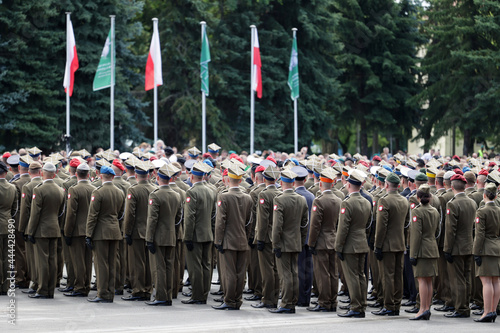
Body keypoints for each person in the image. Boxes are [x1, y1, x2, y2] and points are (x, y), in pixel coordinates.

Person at [212, 165, 253, 310]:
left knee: (229, 272)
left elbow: (220, 222)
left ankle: (229, 300)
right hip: (242, 240)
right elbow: (249, 222)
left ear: (228, 179)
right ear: (241, 180)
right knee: (240, 272)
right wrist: (246, 237)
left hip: (228, 241)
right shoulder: (248, 197)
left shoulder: (224, 196)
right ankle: (237, 299)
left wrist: (218, 240)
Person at [269, 169, 308, 314]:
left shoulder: (279, 199)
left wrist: (275, 244)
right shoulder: (301, 199)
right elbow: (305, 223)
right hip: (296, 241)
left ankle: (286, 303)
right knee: (293, 272)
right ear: (293, 183)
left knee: (285, 274)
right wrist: (301, 240)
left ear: (281, 183)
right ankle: (292, 301)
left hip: (284, 243)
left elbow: (277, 225)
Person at [86, 165, 125, 303]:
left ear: (100, 175)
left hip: (101, 232)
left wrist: (88, 234)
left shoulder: (98, 192)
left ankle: (102, 293)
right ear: (113, 177)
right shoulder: (119, 192)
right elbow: (121, 214)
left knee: (101, 263)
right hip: (114, 231)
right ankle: (110, 293)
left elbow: (93, 216)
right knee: (112, 263)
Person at [26, 162, 65, 299]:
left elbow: (35, 214)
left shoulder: (39, 189)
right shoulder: (60, 190)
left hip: (41, 230)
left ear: (42, 173)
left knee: (42, 260)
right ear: (54, 174)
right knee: (52, 260)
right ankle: (50, 290)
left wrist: (30, 231)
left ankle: (42, 289)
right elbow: (61, 212)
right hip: (54, 228)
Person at [372, 172, 409, 316]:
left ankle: (388, 305)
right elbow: (406, 224)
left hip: (387, 245)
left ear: (386, 185)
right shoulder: (404, 200)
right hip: (400, 243)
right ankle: (396, 304)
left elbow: (381, 227)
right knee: (398, 276)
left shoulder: (385, 201)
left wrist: (378, 245)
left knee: (387, 276)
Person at [145, 164, 182, 306]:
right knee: (169, 266)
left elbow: (152, 219)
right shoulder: (176, 195)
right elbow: (179, 218)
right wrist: (175, 231)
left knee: (159, 267)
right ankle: (168, 295)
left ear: (158, 177)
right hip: (171, 235)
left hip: (158, 237)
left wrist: (149, 238)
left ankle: (161, 296)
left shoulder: (155, 195)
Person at [307, 167, 342, 312]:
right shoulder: (339, 200)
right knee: (333, 273)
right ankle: (333, 301)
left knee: (322, 274)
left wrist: (311, 243)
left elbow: (315, 225)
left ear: (320, 184)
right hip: (333, 239)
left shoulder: (319, 201)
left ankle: (324, 302)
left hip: (321, 241)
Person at [443, 173, 478, 318]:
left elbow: (451, 230)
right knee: (466, 277)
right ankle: (465, 305)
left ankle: (460, 308)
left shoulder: (453, 203)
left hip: (457, 247)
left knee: (457, 278)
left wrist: (447, 249)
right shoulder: (472, 202)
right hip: (469, 244)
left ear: (452, 187)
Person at [182, 162, 217, 304]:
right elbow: (214, 214)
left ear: (191, 176)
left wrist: (187, 237)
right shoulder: (211, 190)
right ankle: (204, 293)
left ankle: (197, 295)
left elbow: (190, 217)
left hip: (196, 235)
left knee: (195, 266)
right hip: (207, 233)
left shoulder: (192, 192)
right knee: (206, 265)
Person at [122, 161, 157, 301]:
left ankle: (138, 290)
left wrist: (127, 232)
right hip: (150, 231)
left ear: (136, 175)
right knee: (148, 263)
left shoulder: (133, 190)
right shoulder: (154, 189)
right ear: (148, 175)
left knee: (137, 263)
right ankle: (148, 289)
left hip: (136, 232)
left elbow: (130, 214)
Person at [408, 185, 440, 320]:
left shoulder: (417, 211)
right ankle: (427, 308)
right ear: (430, 197)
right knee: (429, 281)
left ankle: (422, 309)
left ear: (418, 197)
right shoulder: (435, 211)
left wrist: (413, 254)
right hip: (432, 248)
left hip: (421, 249)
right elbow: (438, 231)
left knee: (422, 281)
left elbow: (416, 235)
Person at [253, 165, 281, 309]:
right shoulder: (280, 192)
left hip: (266, 237)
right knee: (275, 269)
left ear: (264, 179)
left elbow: (263, 220)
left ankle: (267, 299)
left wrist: (260, 238)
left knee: (267, 270)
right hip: (278, 236)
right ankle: (274, 297)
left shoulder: (264, 194)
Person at [472, 183, 500, 323]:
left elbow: (480, 234)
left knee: (486, 281)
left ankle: (487, 311)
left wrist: (476, 252)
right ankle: (493, 310)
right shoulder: (499, 210)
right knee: (496, 280)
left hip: (486, 249)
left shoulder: (482, 211)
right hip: (497, 247)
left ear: (484, 195)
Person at [0, 161, 18, 295]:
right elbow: (14, 209)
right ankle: (5, 286)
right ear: (6, 173)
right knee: (7, 257)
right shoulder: (12, 187)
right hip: (8, 224)